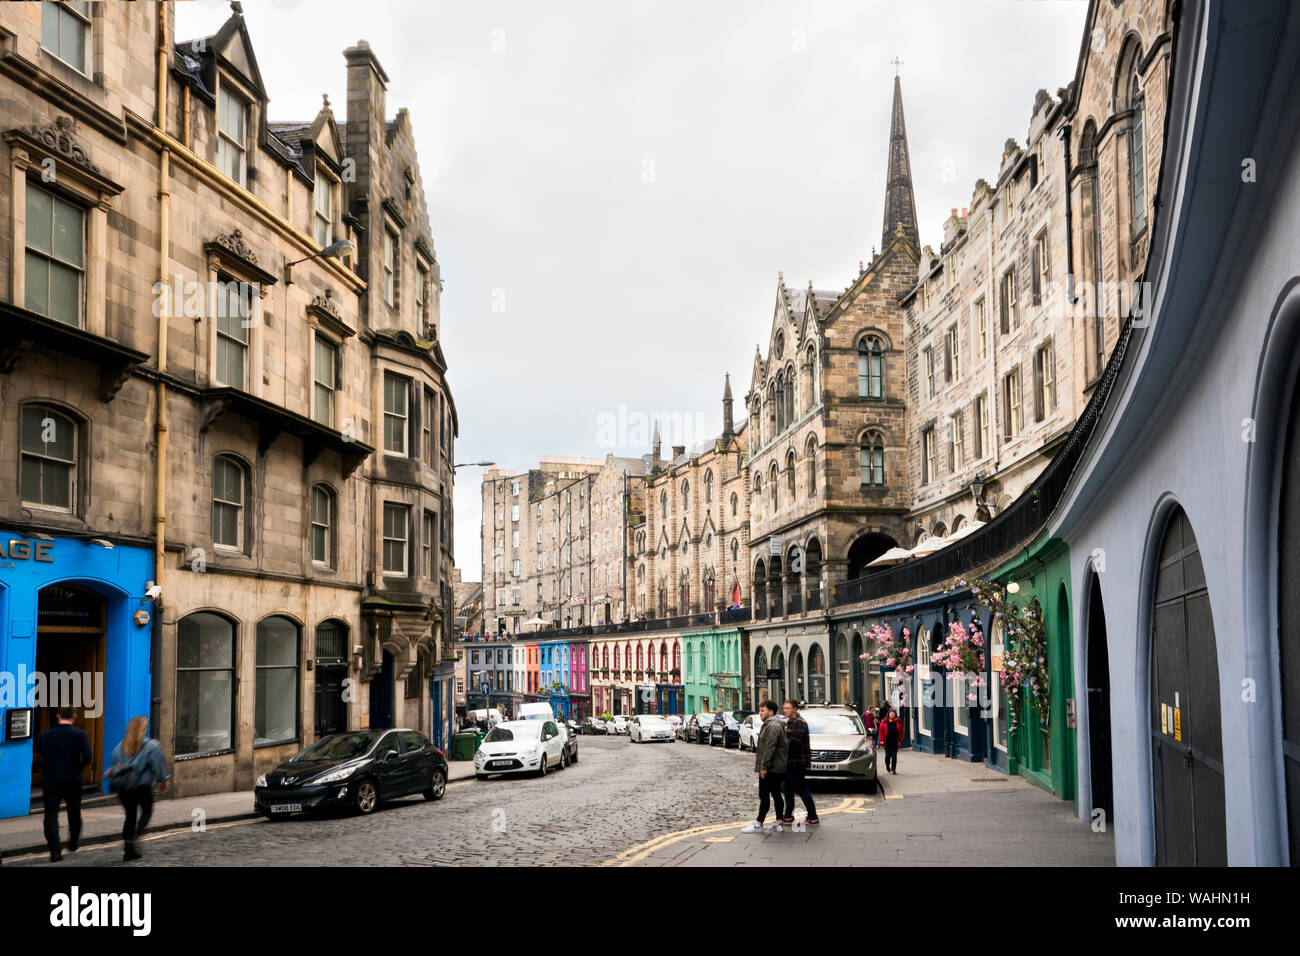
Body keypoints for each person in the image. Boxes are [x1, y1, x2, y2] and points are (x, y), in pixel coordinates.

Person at [32, 707, 93, 863]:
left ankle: (55, 852)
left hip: (51, 780)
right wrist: (77, 768)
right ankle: (73, 843)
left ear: (58, 716)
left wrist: (42, 767)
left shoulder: (45, 735)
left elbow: (36, 753)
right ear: (74, 716)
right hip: (73, 779)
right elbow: (88, 757)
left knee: (50, 816)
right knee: (74, 811)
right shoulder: (80, 734)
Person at [108, 715, 170, 862]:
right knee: (146, 812)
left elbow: (116, 766)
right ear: (143, 729)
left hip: (124, 788)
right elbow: (159, 765)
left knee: (130, 815)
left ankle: (129, 849)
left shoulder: (119, 747)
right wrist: (163, 781)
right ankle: (133, 837)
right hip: (142, 786)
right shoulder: (152, 746)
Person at [741, 699, 787, 833]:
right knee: (776, 795)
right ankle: (778, 822)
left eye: (762, 710)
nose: (759, 713)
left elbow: (769, 748)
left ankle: (759, 823)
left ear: (771, 712)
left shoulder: (772, 726)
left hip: (771, 768)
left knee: (765, 795)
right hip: (775, 767)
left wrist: (764, 767)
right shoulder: (771, 724)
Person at [780, 699, 819, 825]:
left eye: (787, 708)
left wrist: (779, 744)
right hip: (788, 763)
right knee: (787, 789)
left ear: (795, 709)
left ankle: (813, 816)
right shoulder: (790, 722)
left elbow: (794, 742)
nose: (784, 710)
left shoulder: (799, 722)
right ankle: (788, 815)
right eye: (784, 708)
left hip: (796, 762)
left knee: (802, 790)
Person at [878, 706, 904, 775]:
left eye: (893, 713)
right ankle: (887, 765)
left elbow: (902, 732)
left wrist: (900, 741)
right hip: (887, 742)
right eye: (891, 713)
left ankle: (893, 769)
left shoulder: (899, 721)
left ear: (895, 714)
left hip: (895, 742)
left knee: (894, 756)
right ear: (888, 714)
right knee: (887, 756)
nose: (892, 714)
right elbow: (880, 732)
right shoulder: (883, 722)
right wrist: (881, 740)